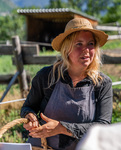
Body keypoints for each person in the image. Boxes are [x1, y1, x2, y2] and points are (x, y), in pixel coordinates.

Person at [21, 18, 113, 150]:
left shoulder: (102, 84)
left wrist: (61, 128)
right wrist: (29, 117)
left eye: (90, 44)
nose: (86, 50)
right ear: (66, 48)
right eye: (79, 44)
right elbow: (28, 107)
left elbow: (103, 127)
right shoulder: (46, 77)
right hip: (42, 147)